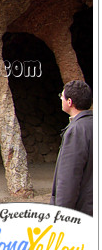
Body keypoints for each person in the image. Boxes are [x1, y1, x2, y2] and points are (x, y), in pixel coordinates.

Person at [50, 80, 93, 216]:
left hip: (82, 210)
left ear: (69, 102)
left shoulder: (77, 130)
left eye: (62, 96)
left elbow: (69, 178)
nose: (61, 99)